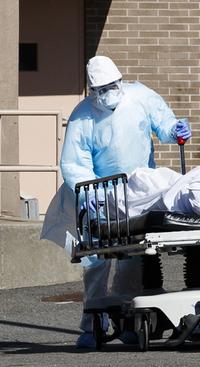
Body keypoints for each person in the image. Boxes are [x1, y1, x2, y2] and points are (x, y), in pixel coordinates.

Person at [42, 55, 191, 348]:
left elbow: (163, 122)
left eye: (112, 86)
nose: (107, 93)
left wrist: (175, 130)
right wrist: (94, 194)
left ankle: (128, 321)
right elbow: (74, 164)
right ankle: (93, 324)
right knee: (96, 263)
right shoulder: (83, 116)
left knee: (132, 261)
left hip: (136, 193)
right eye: (100, 89)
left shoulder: (139, 97)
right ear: (92, 89)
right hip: (98, 197)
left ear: (120, 81)